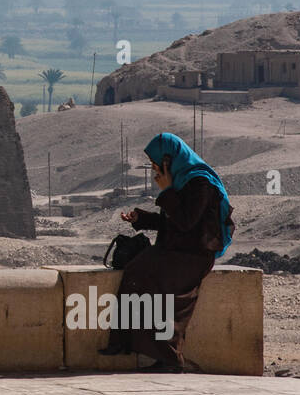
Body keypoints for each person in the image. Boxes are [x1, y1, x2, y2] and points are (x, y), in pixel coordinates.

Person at [100, 132, 235, 373]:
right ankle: (126, 343)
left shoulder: (200, 183)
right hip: (178, 251)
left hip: (194, 256)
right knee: (136, 272)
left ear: (169, 159)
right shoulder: (182, 181)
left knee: (145, 276)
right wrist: (141, 219)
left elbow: (186, 222)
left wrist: (165, 191)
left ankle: (168, 357)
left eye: (156, 164)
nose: (154, 170)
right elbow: (171, 222)